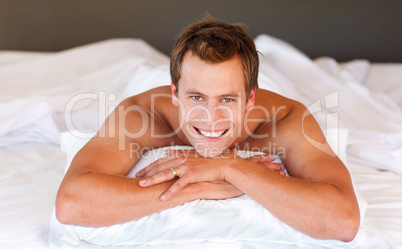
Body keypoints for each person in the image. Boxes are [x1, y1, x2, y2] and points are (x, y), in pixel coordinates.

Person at [55, 16, 360, 242]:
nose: (210, 117)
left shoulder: (285, 120)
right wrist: (203, 186)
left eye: (227, 99)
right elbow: (71, 203)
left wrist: (229, 167)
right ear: (175, 93)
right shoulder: (143, 114)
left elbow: (343, 220)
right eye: (196, 97)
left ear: (249, 98)